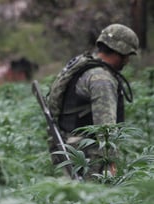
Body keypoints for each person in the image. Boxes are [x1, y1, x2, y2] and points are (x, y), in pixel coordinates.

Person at [47, 23, 139, 179]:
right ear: (120, 52)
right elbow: (105, 126)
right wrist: (110, 160)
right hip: (88, 155)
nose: (127, 61)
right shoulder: (101, 79)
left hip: (70, 148)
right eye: (127, 56)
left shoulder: (83, 65)